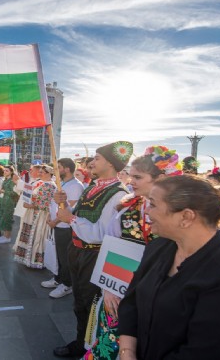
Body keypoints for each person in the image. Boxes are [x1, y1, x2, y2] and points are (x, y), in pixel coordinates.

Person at [118, 175, 220, 360]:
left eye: (153, 204)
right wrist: (127, 352)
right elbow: (131, 302)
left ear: (186, 216)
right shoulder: (160, 247)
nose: (147, 211)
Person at [84, 145, 183, 359]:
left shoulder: (179, 214)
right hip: (122, 288)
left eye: (138, 177)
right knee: (112, 339)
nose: (131, 182)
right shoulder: (127, 207)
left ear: (161, 178)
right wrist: (109, 287)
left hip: (161, 293)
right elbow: (112, 243)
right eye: (131, 176)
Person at [52, 141, 133, 358]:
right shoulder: (93, 187)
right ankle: (82, 342)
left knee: (90, 305)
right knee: (80, 302)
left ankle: (91, 347)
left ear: (110, 163)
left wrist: (70, 218)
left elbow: (102, 233)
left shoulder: (117, 194)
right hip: (78, 250)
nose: (92, 162)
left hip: (94, 255)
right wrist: (64, 205)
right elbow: (79, 215)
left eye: (97, 158)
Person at [41, 158, 85, 298]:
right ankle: (58, 278)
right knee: (58, 254)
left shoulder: (76, 186)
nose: (56, 170)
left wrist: (55, 221)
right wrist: (50, 216)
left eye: (58, 167)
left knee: (66, 257)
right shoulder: (63, 183)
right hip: (57, 224)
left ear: (66, 169)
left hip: (65, 226)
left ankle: (67, 284)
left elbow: (70, 208)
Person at [13, 165, 56, 268]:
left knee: (37, 236)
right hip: (33, 213)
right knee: (31, 235)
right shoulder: (42, 183)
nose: (39, 174)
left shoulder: (49, 185)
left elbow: (45, 204)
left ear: (49, 174)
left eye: (42, 172)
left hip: (40, 215)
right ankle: (29, 259)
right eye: (39, 172)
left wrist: (29, 205)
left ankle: (35, 261)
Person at [0, 165, 20, 244]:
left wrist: (3, 191)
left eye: (7, 171)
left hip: (9, 202)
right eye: (4, 170)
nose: (4, 172)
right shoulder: (5, 179)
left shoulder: (12, 181)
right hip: (3, 201)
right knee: (3, 217)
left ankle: (7, 237)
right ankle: (5, 235)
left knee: (7, 219)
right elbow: (3, 190)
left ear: (11, 172)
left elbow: (15, 194)